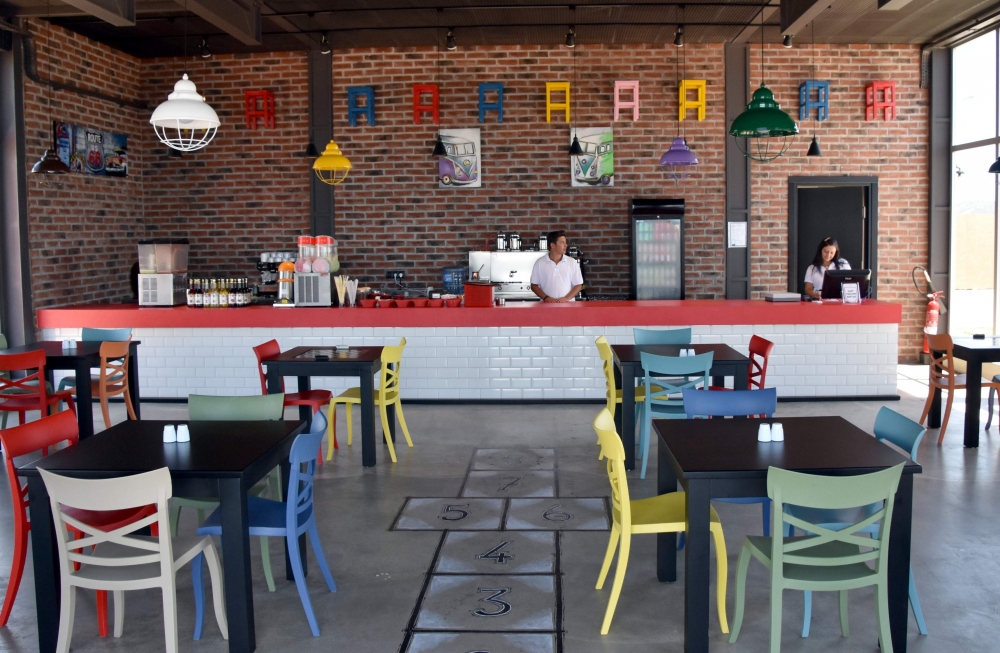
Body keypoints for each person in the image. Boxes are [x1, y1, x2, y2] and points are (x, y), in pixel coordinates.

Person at [530, 230, 584, 302]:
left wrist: (566, 298)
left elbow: (578, 285)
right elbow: (534, 285)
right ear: (552, 245)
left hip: (568, 306)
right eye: (562, 242)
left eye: (565, 242)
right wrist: (546, 298)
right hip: (546, 306)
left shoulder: (572, 262)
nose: (566, 245)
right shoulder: (539, 263)